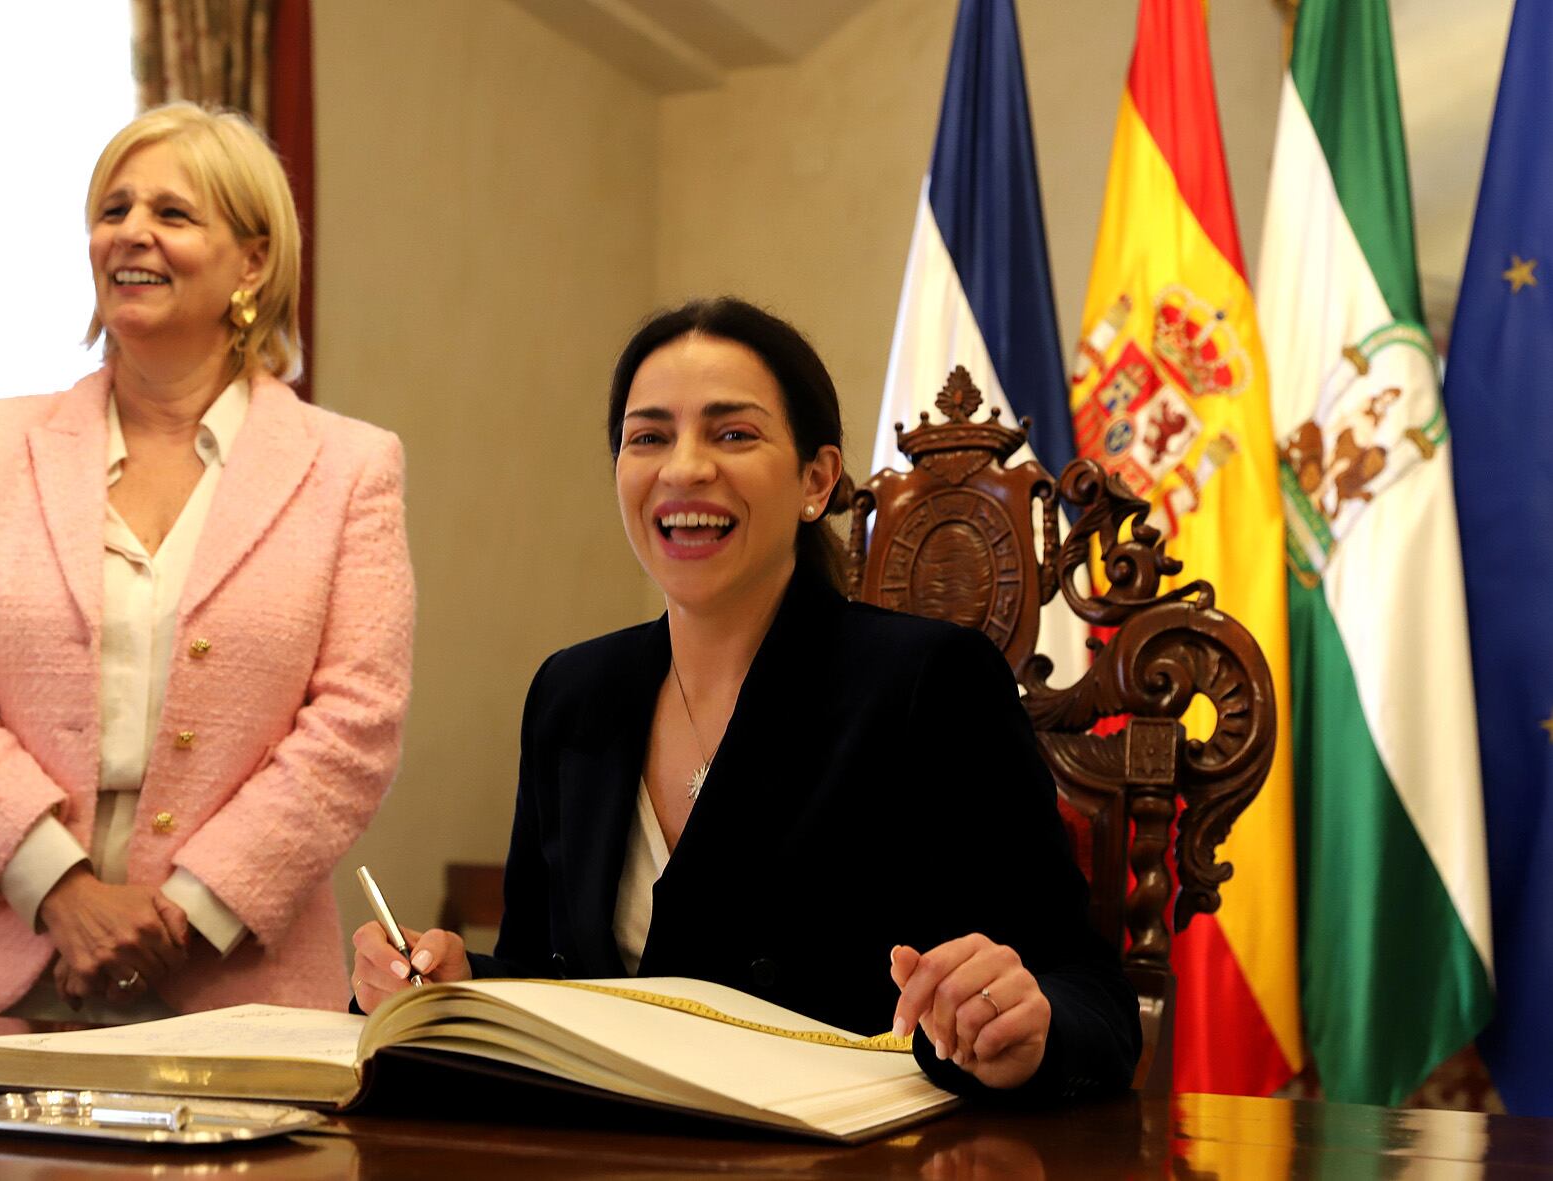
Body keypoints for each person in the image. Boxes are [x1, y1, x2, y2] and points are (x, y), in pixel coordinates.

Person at [352, 299, 1137, 1100]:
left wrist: (1024, 1023)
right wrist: (447, 984)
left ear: (816, 479)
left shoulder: (929, 682)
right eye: (649, 437)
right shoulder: (573, 692)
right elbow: (548, 977)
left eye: (733, 433)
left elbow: (1093, 998)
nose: (684, 468)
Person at [0, 103, 413, 1020]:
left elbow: (353, 731)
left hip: (236, 982)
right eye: (114, 208)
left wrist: (178, 921)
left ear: (253, 260)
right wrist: (67, 897)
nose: (131, 232)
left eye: (173, 213)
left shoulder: (351, 467)